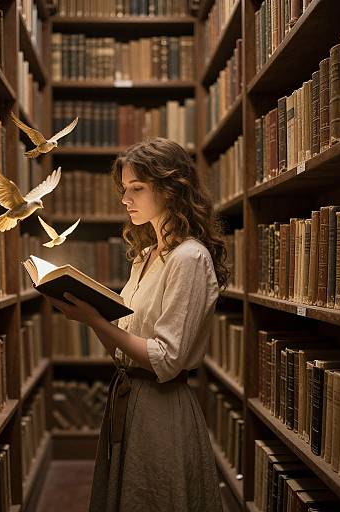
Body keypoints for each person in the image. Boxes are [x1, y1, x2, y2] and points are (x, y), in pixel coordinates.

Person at [45, 137, 229, 512]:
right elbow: (121, 344)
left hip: (162, 410)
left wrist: (94, 318)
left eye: (137, 189)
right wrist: (91, 317)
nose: (125, 199)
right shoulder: (146, 257)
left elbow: (165, 360)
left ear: (170, 188)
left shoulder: (189, 258)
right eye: (124, 189)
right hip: (129, 398)